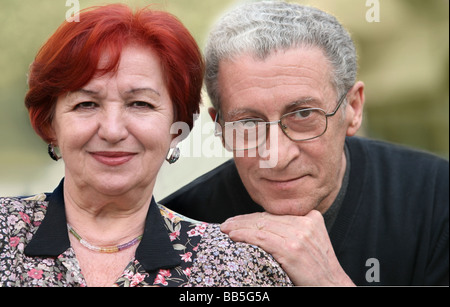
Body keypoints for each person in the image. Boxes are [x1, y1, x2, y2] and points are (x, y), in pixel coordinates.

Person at [0, 4, 292, 287]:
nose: (112, 131)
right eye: (86, 104)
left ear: (177, 128)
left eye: (140, 104)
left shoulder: (240, 269)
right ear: (51, 124)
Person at [161, 1, 449, 286]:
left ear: (353, 108)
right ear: (220, 129)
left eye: (303, 115)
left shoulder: (438, 199)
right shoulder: (173, 231)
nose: (278, 155)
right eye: (249, 123)